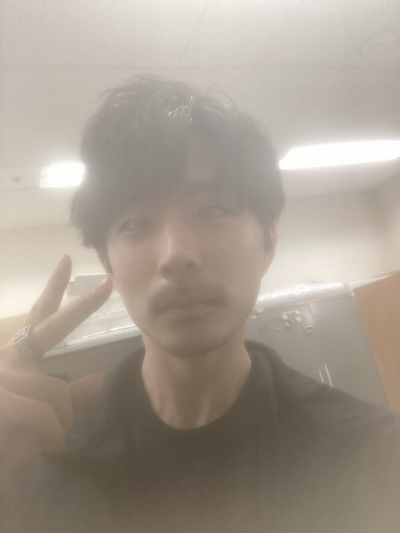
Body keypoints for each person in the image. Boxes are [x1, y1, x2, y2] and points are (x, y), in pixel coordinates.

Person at [0, 77, 399, 533]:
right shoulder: (46, 464)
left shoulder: (371, 456)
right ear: (107, 262)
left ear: (268, 241)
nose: (176, 254)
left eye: (213, 210)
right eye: (135, 222)